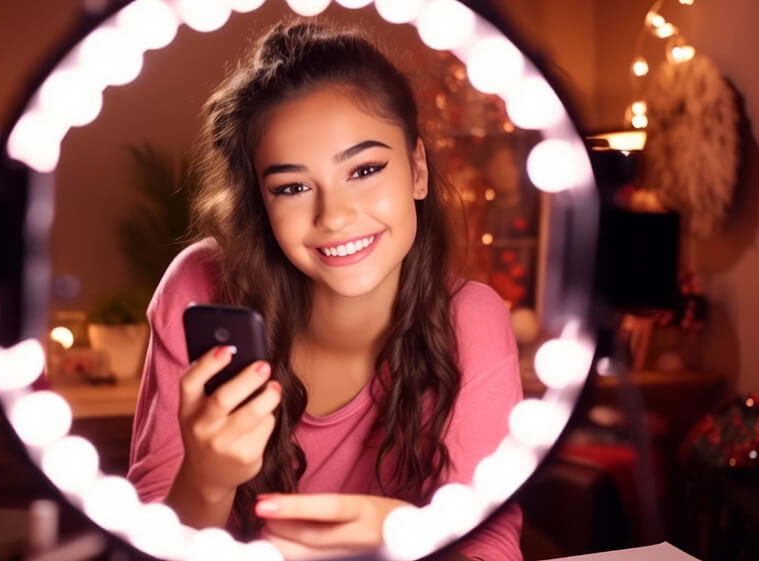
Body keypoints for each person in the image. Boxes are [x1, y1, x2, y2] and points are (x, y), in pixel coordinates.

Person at [127, 20, 524, 560]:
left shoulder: (472, 319)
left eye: (364, 169)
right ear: (262, 206)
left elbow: (492, 546)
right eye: (292, 187)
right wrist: (207, 480)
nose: (334, 216)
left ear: (416, 171)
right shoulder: (197, 286)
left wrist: (406, 531)